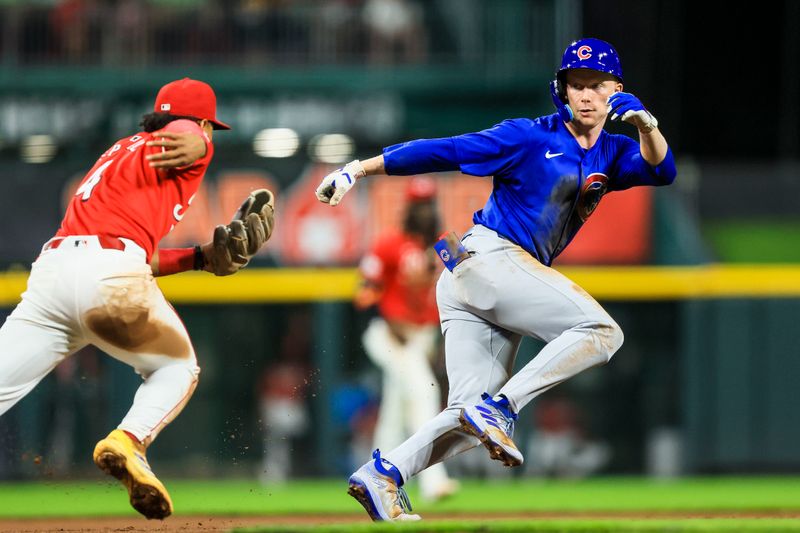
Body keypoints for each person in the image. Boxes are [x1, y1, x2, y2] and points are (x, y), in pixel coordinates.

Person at [315, 38, 676, 521]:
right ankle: (503, 407)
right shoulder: (530, 136)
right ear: (562, 91)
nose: (586, 95)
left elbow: (662, 169)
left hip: (477, 277)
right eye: (577, 85)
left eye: (597, 85)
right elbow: (446, 149)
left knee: (466, 416)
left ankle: (384, 475)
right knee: (602, 332)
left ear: (616, 91)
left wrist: (647, 124)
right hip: (489, 258)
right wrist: (359, 168)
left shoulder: (613, 149)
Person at [0, 78, 274, 520]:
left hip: (52, 276)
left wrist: (202, 258)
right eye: (208, 127)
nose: (207, 135)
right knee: (177, 368)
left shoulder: (122, 151)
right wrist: (200, 143)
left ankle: (128, 445)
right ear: (202, 120)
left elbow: (143, 253)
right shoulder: (188, 136)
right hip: (107, 273)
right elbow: (188, 134)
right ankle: (128, 441)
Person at [356, 176, 458, 502]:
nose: (424, 211)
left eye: (428, 204)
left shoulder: (446, 243)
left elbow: (470, 284)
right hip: (388, 335)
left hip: (423, 336)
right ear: (409, 208)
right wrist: (387, 318)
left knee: (396, 410)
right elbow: (364, 293)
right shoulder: (389, 242)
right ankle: (433, 481)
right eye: (418, 204)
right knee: (423, 393)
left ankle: (376, 476)